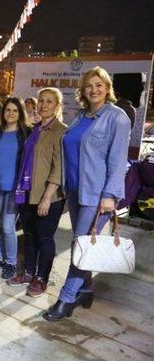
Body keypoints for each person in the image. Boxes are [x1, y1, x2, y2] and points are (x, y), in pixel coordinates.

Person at [44, 67, 131, 321]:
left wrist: (109, 195)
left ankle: (66, 298)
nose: (94, 90)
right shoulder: (82, 116)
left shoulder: (117, 118)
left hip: (98, 194)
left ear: (107, 88)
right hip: (75, 190)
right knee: (83, 242)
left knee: (79, 246)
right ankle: (85, 289)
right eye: (89, 86)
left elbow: (118, 160)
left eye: (99, 85)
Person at [7, 87, 67, 297]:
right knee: (30, 235)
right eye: (41, 101)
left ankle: (41, 278)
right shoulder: (36, 129)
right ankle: (28, 272)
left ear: (57, 106)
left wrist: (47, 197)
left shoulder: (61, 131)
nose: (43, 105)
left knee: (45, 238)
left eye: (49, 101)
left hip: (48, 197)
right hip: (29, 194)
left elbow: (59, 168)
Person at [0, 97, 30, 279]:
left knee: (8, 226)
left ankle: (11, 263)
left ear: (20, 113)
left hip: (14, 189)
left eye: (15, 110)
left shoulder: (25, 134)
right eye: (7, 110)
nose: (10, 113)